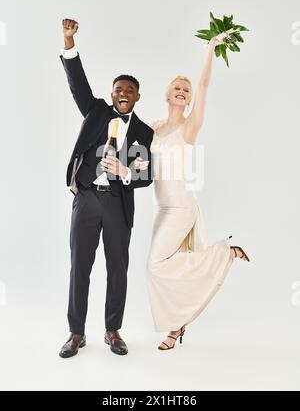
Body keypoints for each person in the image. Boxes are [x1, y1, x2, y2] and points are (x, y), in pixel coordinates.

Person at [136, 31, 250, 350]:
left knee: (155, 265)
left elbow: (203, 87)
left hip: (181, 207)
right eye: (178, 88)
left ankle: (221, 252)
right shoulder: (155, 128)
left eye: (186, 90)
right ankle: (176, 328)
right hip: (161, 208)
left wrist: (211, 48)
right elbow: (139, 159)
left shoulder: (190, 125)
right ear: (168, 94)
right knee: (168, 268)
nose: (184, 92)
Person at [58, 18, 153, 357]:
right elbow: (77, 84)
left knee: (118, 268)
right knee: (79, 267)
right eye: (117, 89)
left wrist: (126, 171)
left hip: (117, 204)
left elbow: (147, 175)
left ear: (137, 96)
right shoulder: (96, 111)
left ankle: (113, 330)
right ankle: (76, 333)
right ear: (112, 94)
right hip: (85, 199)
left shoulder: (143, 132)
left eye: (128, 90)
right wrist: (69, 43)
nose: (122, 94)